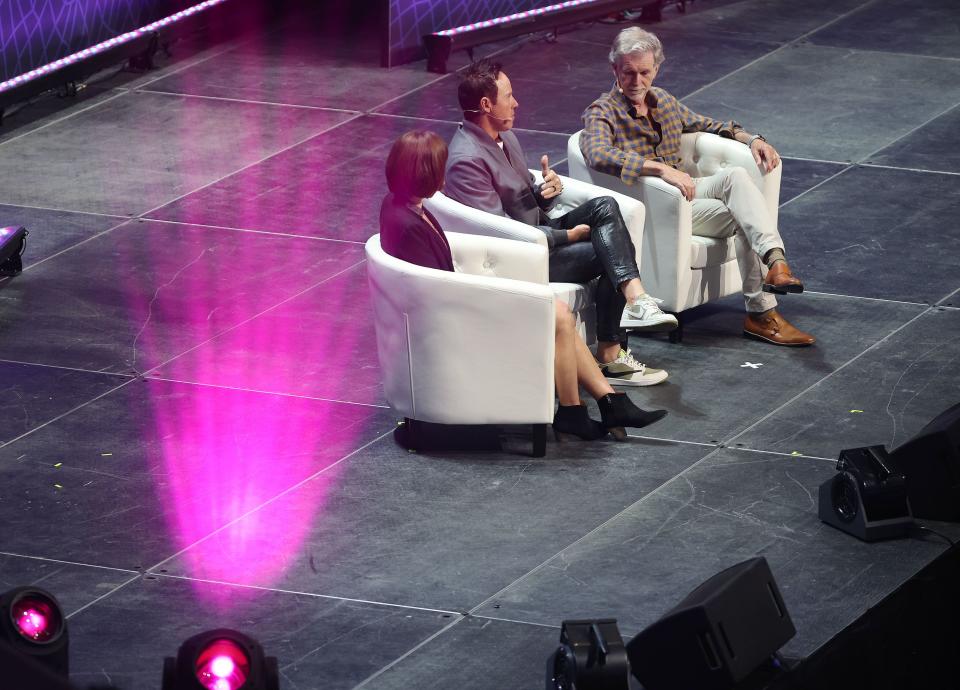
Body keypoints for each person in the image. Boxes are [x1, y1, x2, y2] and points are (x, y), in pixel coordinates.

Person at [379, 130, 667, 441]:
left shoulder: (407, 207)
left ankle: (604, 403)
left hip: (457, 301)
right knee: (558, 315)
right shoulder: (407, 224)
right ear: (427, 172)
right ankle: (579, 409)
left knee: (559, 315)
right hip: (454, 318)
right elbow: (434, 289)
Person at [443, 58, 674, 388]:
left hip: (540, 231)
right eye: (508, 96)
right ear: (485, 104)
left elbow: (521, 201)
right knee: (612, 250)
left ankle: (636, 303)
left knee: (605, 207)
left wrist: (544, 192)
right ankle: (612, 352)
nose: (516, 102)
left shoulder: (504, 137)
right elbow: (500, 235)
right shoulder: (466, 160)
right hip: (525, 255)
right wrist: (565, 236)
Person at [580, 27, 815, 347]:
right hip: (656, 203)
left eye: (644, 72)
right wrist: (660, 169)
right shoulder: (602, 111)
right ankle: (761, 314)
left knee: (738, 182)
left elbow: (711, 125)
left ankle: (776, 263)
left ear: (656, 69)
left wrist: (752, 139)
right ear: (615, 70)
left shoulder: (663, 100)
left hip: (687, 195)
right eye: (628, 73)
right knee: (746, 213)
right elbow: (597, 153)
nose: (636, 82)